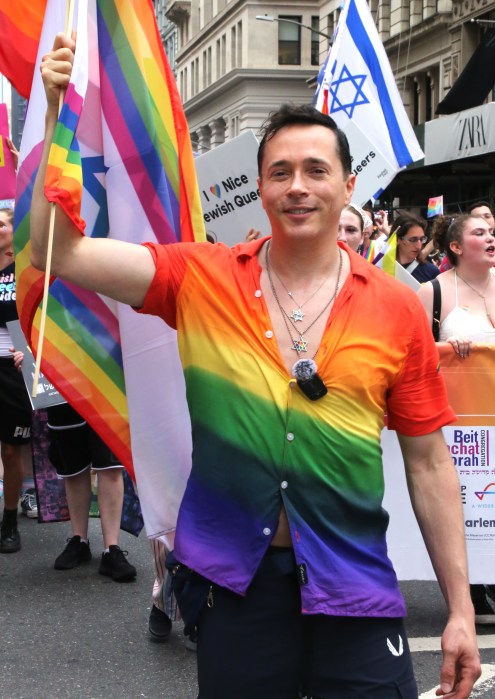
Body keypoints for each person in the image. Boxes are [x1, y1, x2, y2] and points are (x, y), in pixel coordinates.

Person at [30, 34, 481, 698]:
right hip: (231, 589)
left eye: (315, 170)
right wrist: (54, 115)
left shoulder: (396, 306)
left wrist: (460, 609)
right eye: (280, 172)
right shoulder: (198, 276)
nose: (297, 186)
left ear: (347, 185)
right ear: (262, 185)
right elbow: (56, 251)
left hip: (353, 586)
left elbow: (428, 462)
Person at [417, 213, 495, 625]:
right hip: (460, 421)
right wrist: (444, 347)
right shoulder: (432, 292)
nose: (491, 237)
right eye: (480, 232)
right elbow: (411, 351)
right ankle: (472, 588)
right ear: (457, 247)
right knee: (467, 501)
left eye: (493, 231)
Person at [44, 403, 137, 581]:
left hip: (106, 383)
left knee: (111, 466)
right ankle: (79, 540)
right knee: (73, 467)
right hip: (64, 385)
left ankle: (111, 548)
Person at [0, 207, 33, 553]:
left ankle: (9, 519)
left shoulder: (22, 271)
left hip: (12, 366)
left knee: (11, 448)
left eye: (2, 223)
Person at [392, 213, 440, 283]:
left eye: (422, 239)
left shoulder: (431, 272)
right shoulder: (382, 267)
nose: (419, 246)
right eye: (413, 240)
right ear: (397, 239)